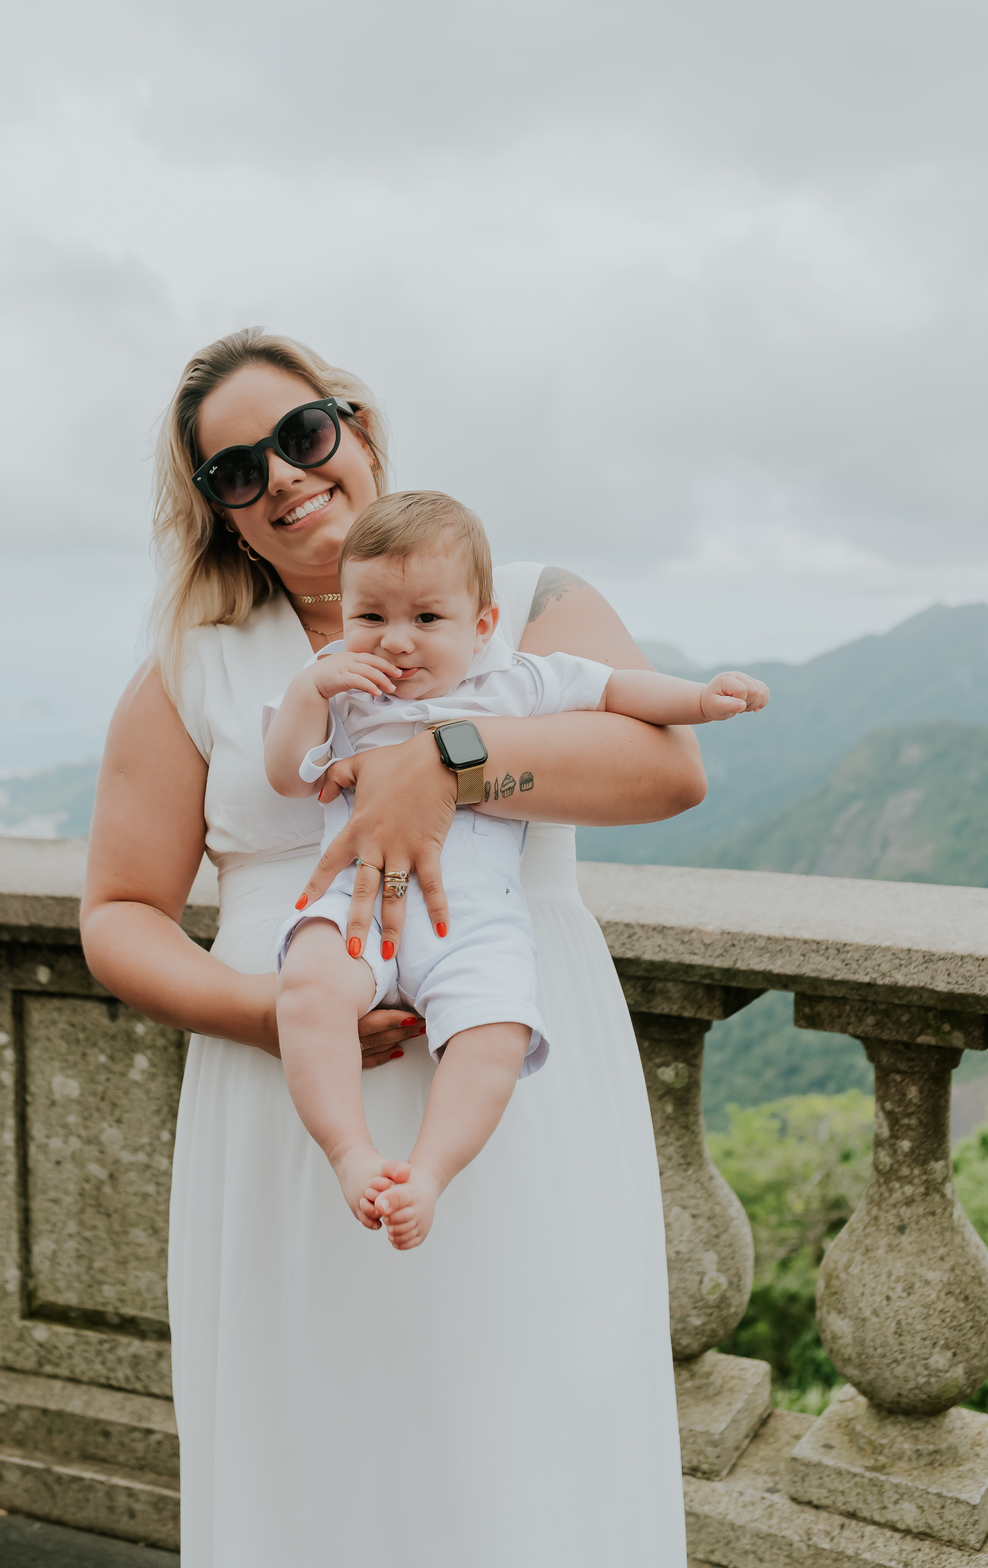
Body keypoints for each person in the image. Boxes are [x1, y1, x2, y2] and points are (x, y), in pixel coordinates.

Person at [80, 327, 708, 1567]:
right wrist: (268, 1014)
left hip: (517, 1065)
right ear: (217, 513)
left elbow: (664, 765)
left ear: (356, 427)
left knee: (527, 1423)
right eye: (236, 471)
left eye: (303, 434)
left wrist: (449, 762)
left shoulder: (521, 599)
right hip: (294, 1089)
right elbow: (118, 911)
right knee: (320, 1439)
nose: (285, 476)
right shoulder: (194, 665)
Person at [265, 488, 769, 1250]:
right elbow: (287, 777)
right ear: (346, 619)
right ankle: (351, 1153)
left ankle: (430, 1172)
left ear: (483, 625)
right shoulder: (342, 688)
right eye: (371, 618)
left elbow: (617, 690)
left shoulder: (517, 680)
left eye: (426, 619)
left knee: (495, 1032)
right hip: (356, 906)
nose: (396, 642)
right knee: (308, 989)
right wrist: (311, 690)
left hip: (473, 920)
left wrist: (702, 698)